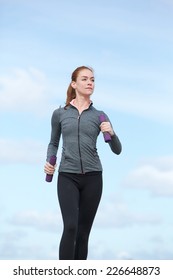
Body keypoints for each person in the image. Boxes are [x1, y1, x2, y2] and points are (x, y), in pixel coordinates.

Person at [44, 66, 122, 260]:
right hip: (67, 175)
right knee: (70, 227)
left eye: (93, 80)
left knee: (83, 233)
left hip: (93, 177)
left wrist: (111, 133)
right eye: (85, 79)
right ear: (74, 84)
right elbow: (53, 142)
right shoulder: (60, 114)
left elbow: (117, 149)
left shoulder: (99, 116)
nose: (90, 83)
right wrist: (49, 162)